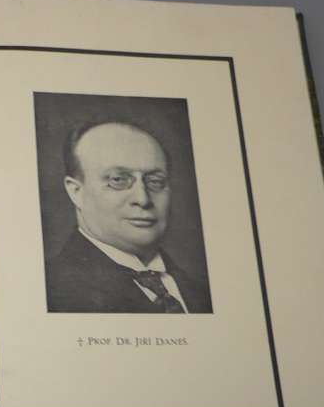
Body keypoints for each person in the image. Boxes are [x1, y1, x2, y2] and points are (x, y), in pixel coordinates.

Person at [45, 120, 211, 313]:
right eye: (118, 180)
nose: (143, 199)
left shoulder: (204, 293)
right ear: (76, 192)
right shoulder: (51, 291)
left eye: (155, 181)